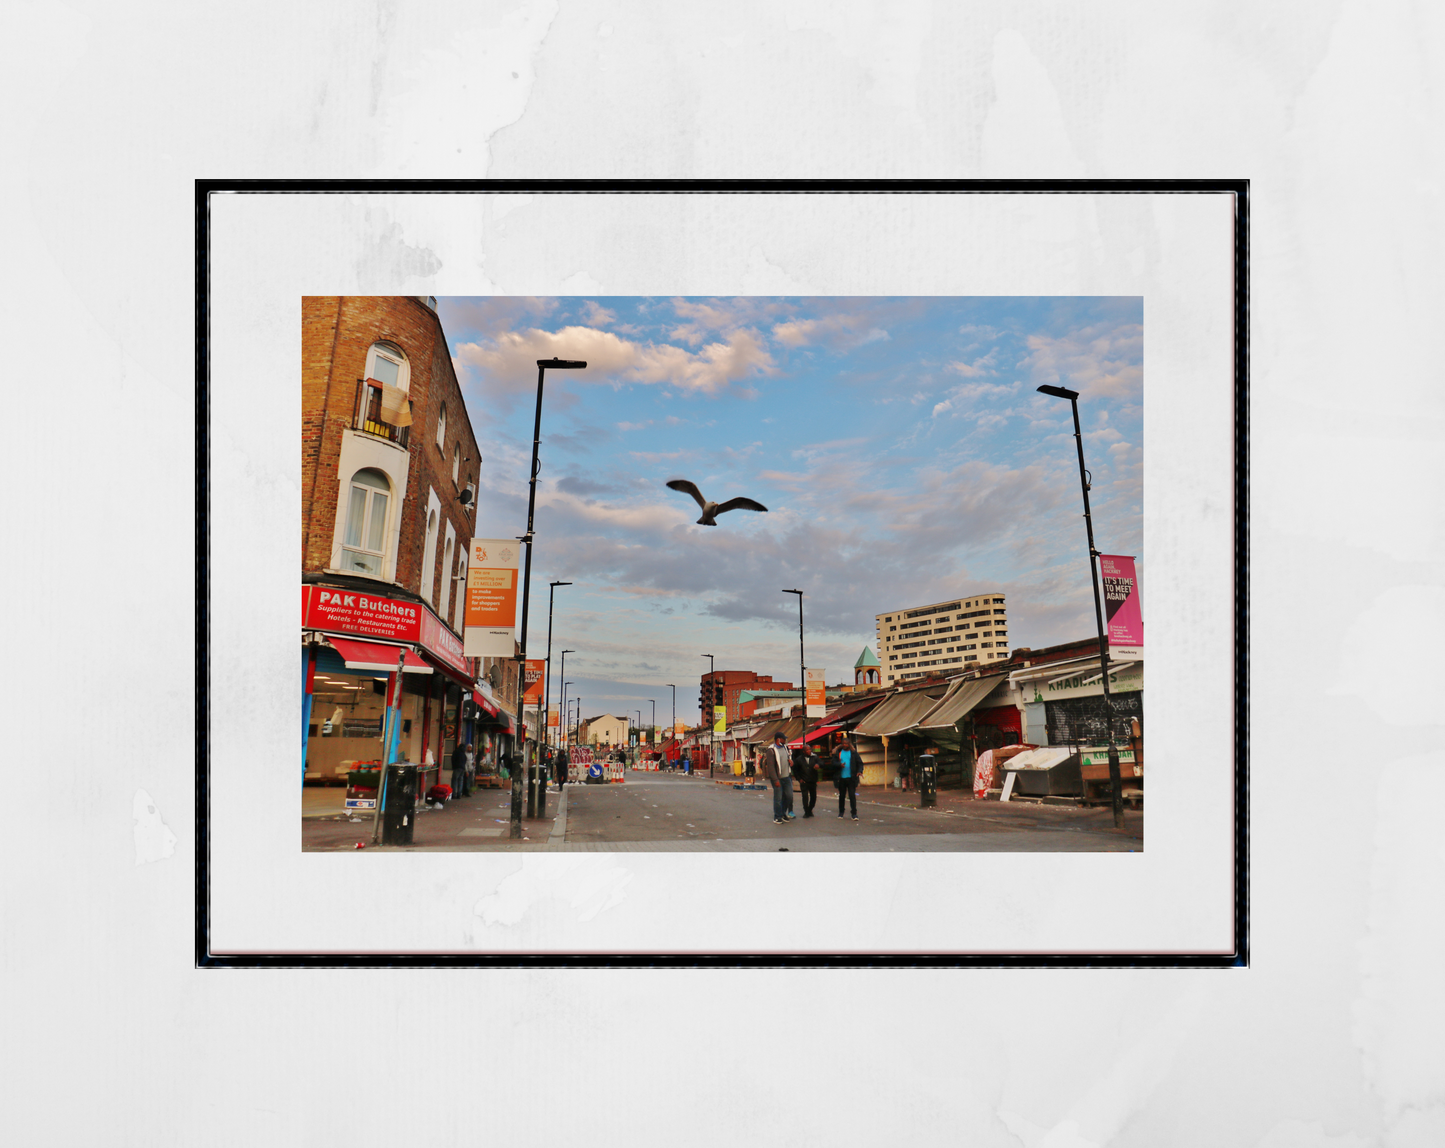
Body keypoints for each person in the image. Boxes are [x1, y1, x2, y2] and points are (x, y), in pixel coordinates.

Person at [758, 730, 795, 824]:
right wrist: (775, 780)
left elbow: (788, 759)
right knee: (778, 798)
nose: (785, 740)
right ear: (778, 739)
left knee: (789, 796)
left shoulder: (786, 748)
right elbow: (770, 766)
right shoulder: (771, 750)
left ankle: (783, 813)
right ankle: (777, 816)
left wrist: (791, 762)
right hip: (777, 778)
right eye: (784, 739)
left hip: (787, 777)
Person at [835, 734, 862, 820]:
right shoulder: (838, 752)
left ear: (849, 744)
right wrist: (839, 765)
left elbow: (860, 763)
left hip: (851, 778)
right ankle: (841, 812)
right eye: (843, 743)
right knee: (842, 796)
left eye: (846, 743)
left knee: (852, 796)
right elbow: (833, 763)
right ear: (841, 744)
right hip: (841, 778)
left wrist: (859, 771)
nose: (845, 745)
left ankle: (854, 814)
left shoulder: (853, 753)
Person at [792, 740, 818, 817]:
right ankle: (806, 812)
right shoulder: (799, 759)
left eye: (810, 749)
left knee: (813, 797)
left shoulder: (814, 757)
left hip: (812, 780)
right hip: (804, 781)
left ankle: (810, 809)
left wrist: (818, 765)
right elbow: (795, 770)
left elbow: (821, 763)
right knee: (805, 797)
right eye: (807, 750)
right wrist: (799, 778)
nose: (809, 751)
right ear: (803, 751)